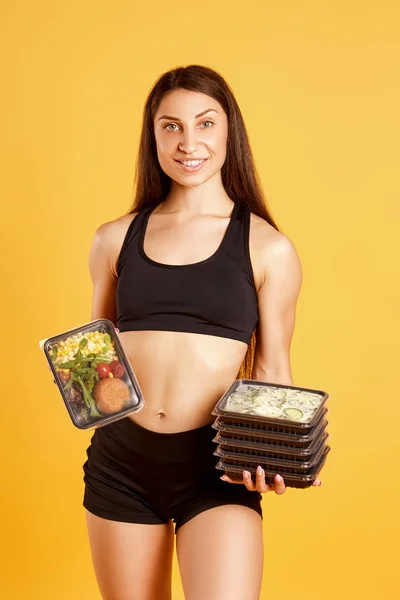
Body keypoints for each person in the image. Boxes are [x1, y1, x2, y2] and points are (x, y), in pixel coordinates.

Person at [82, 64, 322, 600]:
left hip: (216, 467)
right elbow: (97, 356)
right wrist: (81, 385)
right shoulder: (113, 239)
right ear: (154, 137)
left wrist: (275, 456)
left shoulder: (268, 248)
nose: (189, 142)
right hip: (120, 461)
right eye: (171, 126)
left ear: (228, 132)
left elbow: (273, 370)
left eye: (205, 123)